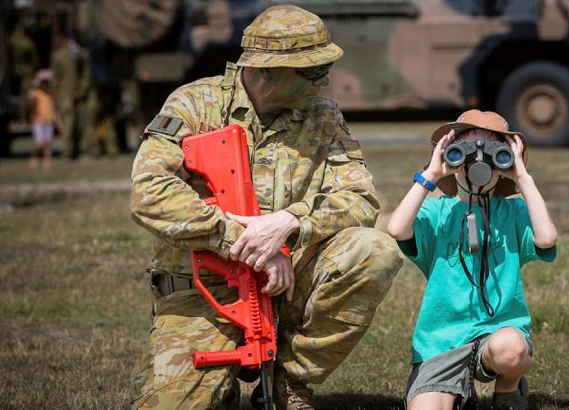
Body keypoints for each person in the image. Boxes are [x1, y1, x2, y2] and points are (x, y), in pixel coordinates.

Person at [129, 5, 402, 409]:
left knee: (374, 251)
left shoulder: (323, 115)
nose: (325, 80)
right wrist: (246, 242)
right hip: (203, 293)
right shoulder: (194, 105)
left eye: (326, 67)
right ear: (264, 72)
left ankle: (290, 381)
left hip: (286, 282)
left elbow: (361, 199)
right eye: (311, 71)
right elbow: (149, 192)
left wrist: (289, 222)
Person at [387, 110, 558, 410]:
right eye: (465, 150)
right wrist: (431, 174)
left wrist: (523, 178)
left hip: (498, 335)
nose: (478, 161)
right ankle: (460, 394)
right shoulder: (437, 212)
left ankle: (508, 390)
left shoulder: (512, 212)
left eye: (494, 151)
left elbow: (546, 239)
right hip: (442, 343)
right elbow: (397, 228)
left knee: (511, 350)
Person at [51, 32, 89, 160]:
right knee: (69, 123)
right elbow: (55, 78)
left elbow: (84, 74)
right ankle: (68, 150)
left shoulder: (79, 55)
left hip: (76, 94)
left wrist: (82, 91)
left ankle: (75, 149)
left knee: (79, 122)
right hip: (65, 95)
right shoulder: (58, 57)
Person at [28, 70, 62, 170]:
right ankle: (34, 158)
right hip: (38, 121)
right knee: (39, 143)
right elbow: (30, 106)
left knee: (49, 143)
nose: (45, 84)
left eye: (47, 82)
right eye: (43, 82)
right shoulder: (35, 93)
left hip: (49, 120)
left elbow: (55, 110)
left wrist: (59, 123)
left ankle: (47, 162)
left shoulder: (52, 95)